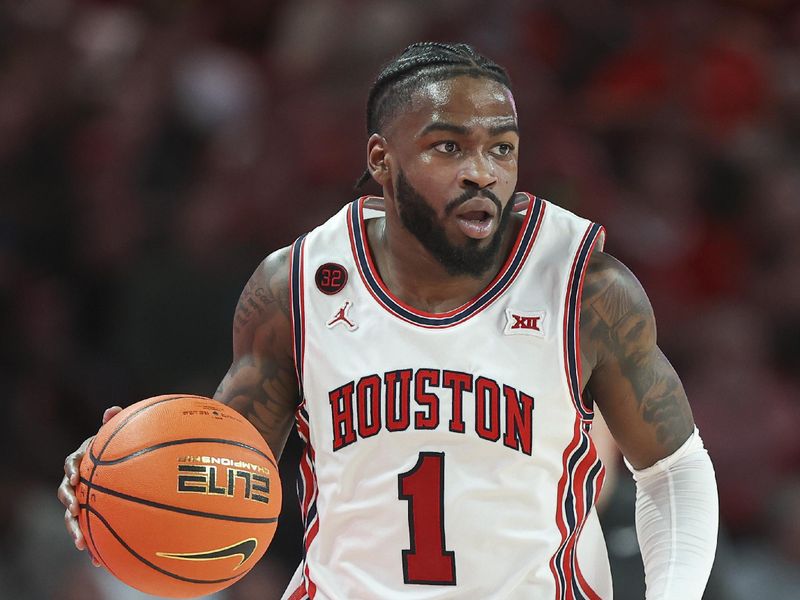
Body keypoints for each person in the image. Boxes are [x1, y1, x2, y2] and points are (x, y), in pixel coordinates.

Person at [58, 42, 719, 599]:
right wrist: (120, 476)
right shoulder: (296, 288)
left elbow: (674, 469)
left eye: (501, 148)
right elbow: (226, 475)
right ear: (381, 161)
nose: (481, 173)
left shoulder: (585, 290)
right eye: (449, 148)